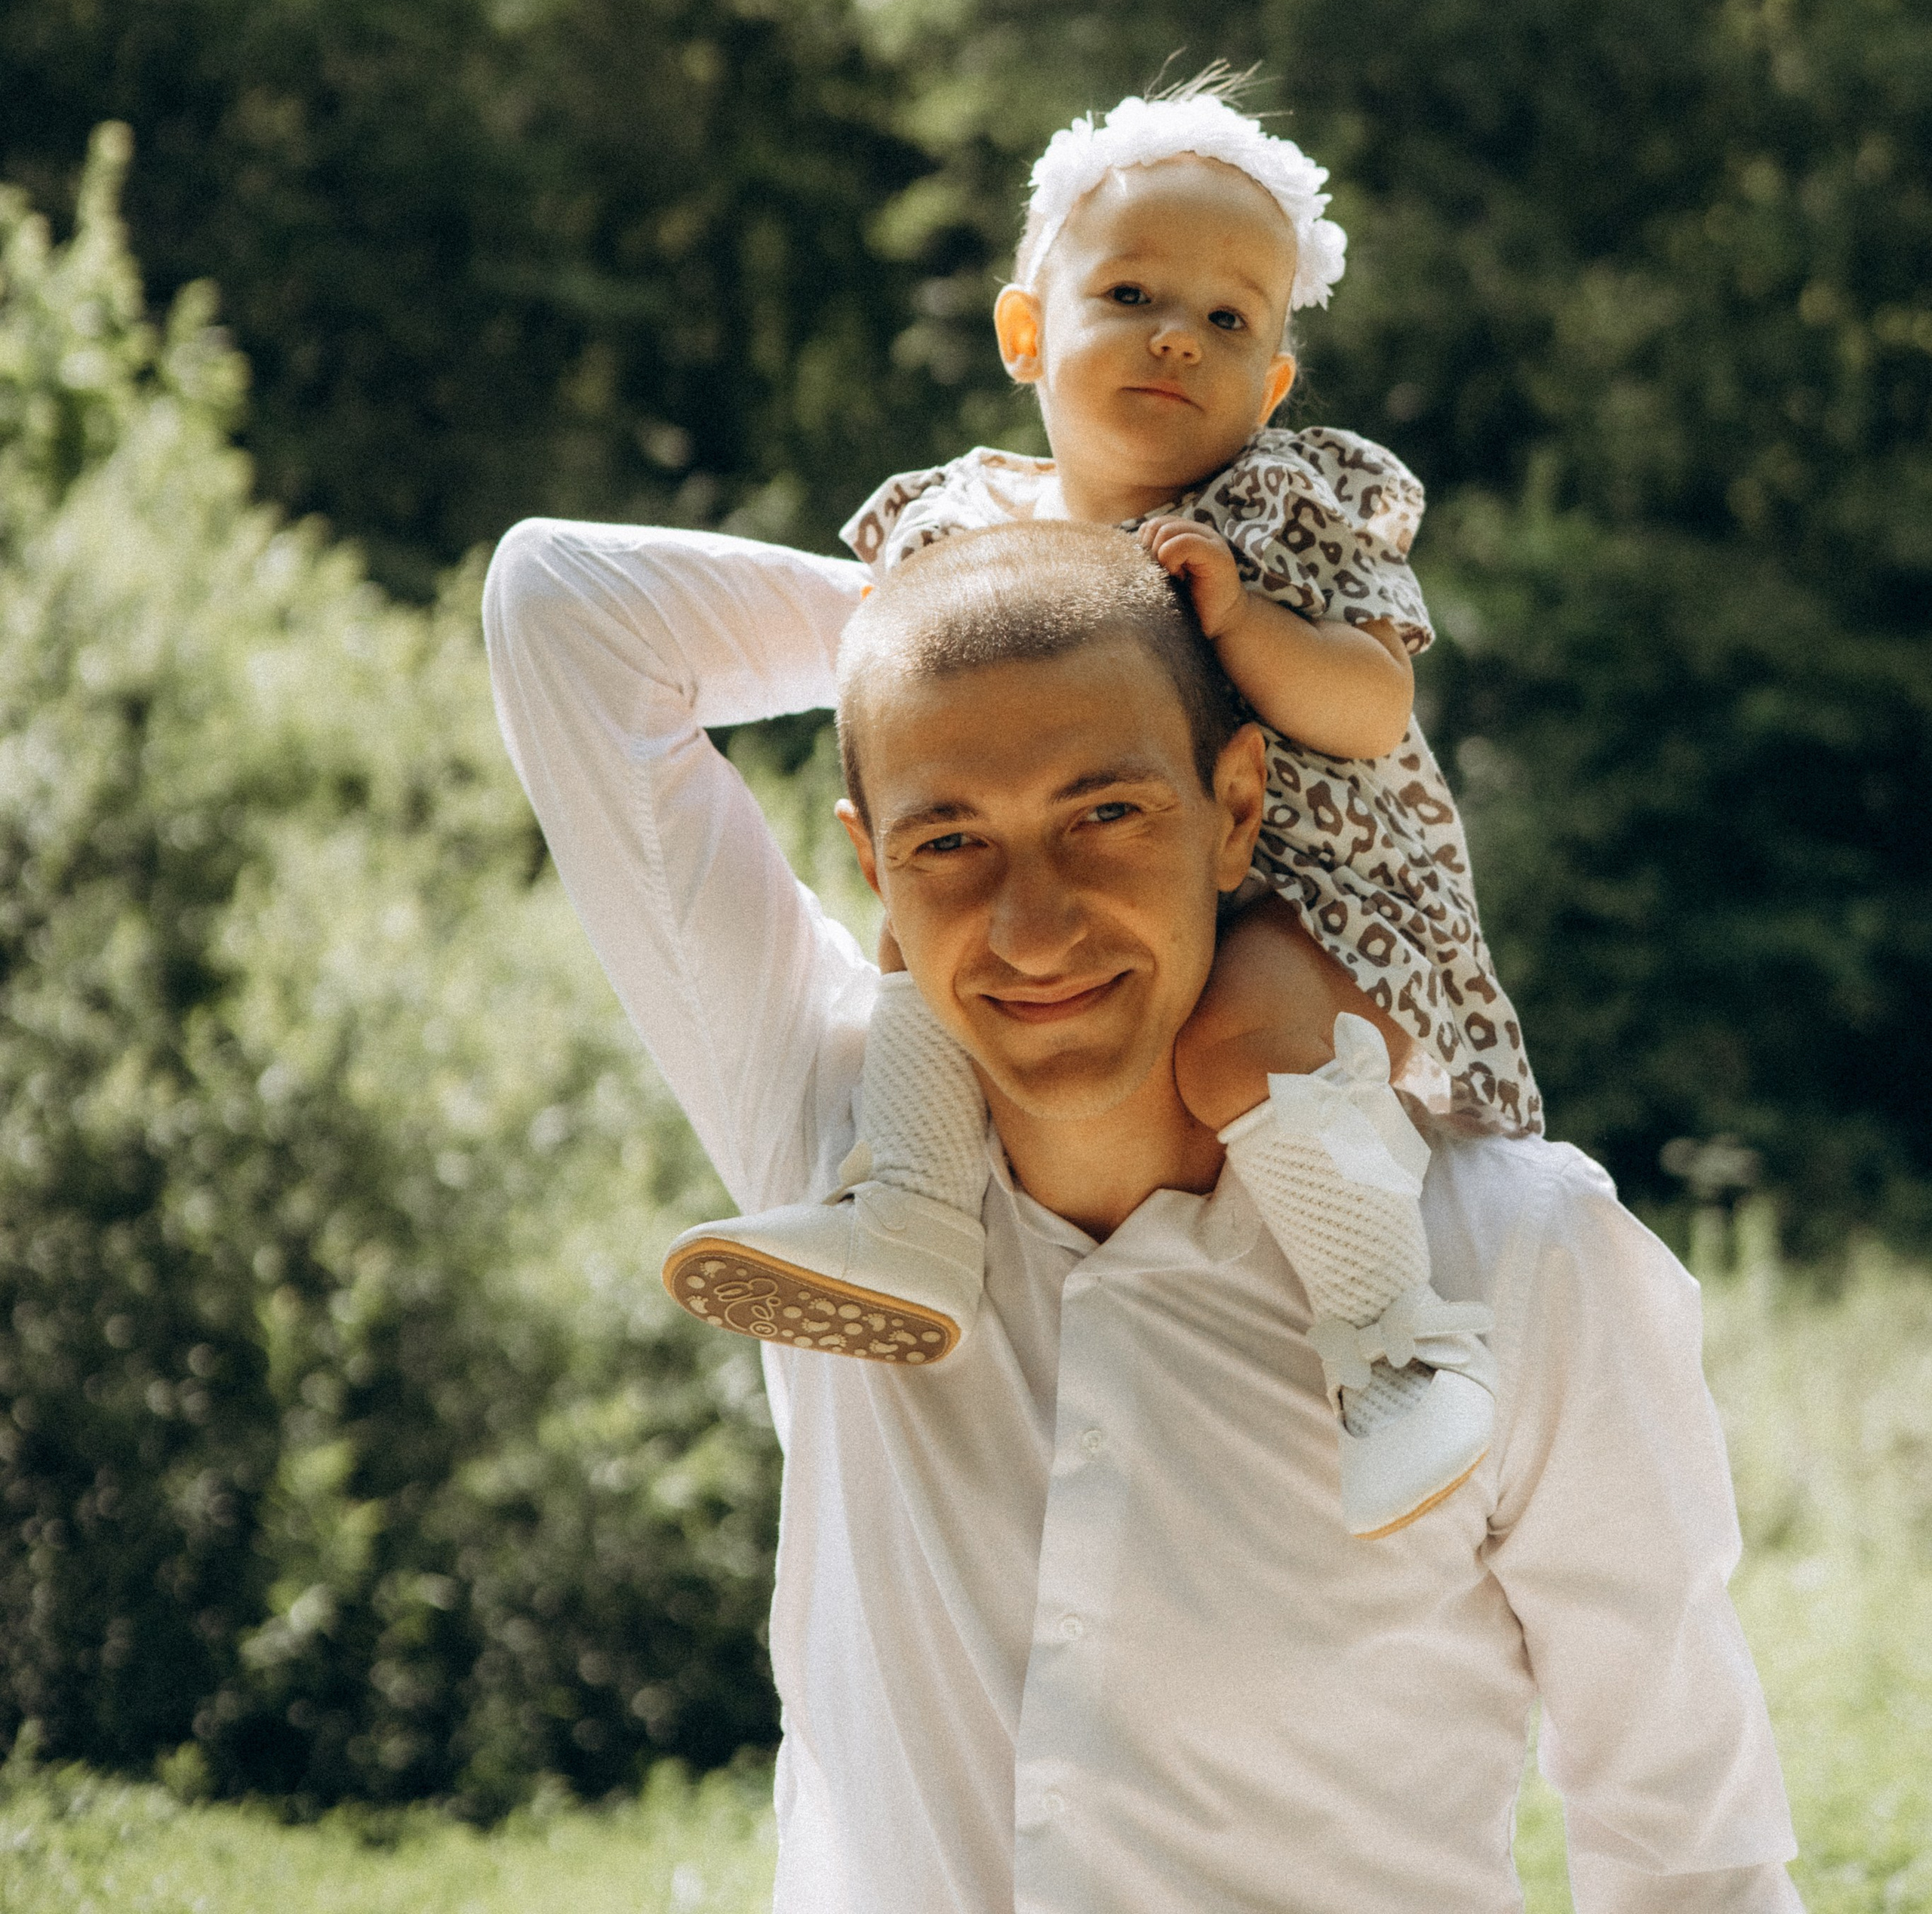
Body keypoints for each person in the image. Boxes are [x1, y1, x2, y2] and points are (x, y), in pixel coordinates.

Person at [483, 512, 1798, 1914]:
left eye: (1104, 815)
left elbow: (1687, 1858)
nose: (1031, 928)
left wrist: (1142, 612)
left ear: (1238, 810)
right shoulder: (833, 1146)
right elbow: (562, 609)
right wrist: (980, 592)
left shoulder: (1514, 1254)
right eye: (949, 842)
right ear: (875, 870)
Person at [665, 74, 1533, 1537]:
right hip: (1078, 876)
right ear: (1025, 332)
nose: (1177, 335)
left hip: (1302, 892)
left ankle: (1392, 1348)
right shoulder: (958, 530)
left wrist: (1243, 624)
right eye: (1132, 292)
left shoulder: (1284, 512)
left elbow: (1371, 709)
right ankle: (915, 1217)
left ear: (1266, 386)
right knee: (920, 959)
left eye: (1227, 320)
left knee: (1238, 1045)